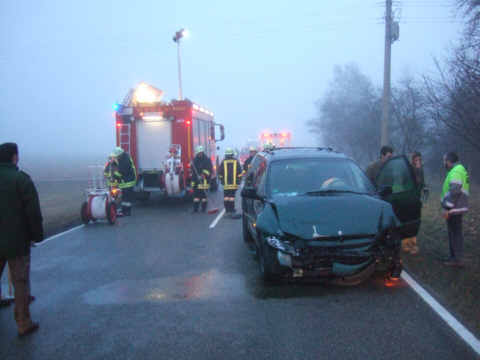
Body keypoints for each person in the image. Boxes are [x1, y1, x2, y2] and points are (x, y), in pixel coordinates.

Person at [0, 142, 44, 336]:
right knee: (20, 281)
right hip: (16, 241)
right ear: (14, 157)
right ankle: (23, 322)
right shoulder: (21, 179)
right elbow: (32, 211)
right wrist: (37, 235)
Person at [441, 152, 469, 268]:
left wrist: (447, 208)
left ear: (449, 161)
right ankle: (454, 258)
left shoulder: (455, 171)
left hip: (454, 209)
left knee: (455, 234)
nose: (444, 163)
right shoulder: (460, 169)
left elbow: (455, 192)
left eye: (444, 161)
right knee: (454, 234)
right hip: (458, 207)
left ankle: (456, 260)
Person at [402, 151, 427, 254]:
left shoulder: (420, 170)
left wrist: (424, 186)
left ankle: (413, 242)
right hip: (408, 199)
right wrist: (416, 170)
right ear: (411, 160)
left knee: (416, 220)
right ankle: (406, 244)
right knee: (409, 221)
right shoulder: (407, 169)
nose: (418, 162)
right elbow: (409, 181)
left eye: (419, 160)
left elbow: (420, 181)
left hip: (417, 198)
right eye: (415, 160)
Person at [113, 147, 137, 216]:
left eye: (117, 156)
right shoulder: (122, 158)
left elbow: (121, 171)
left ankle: (128, 211)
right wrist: (113, 163)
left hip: (129, 181)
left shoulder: (125, 160)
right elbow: (118, 163)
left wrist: (114, 177)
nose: (117, 157)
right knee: (124, 196)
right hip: (125, 181)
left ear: (120, 154)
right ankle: (123, 210)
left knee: (127, 197)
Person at [219, 147, 243, 213]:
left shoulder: (223, 161)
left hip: (226, 183)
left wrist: (221, 179)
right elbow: (239, 171)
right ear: (232, 154)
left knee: (226, 197)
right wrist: (239, 179)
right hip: (234, 183)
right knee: (232, 197)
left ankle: (227, 209)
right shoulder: (236, 161)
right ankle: (232, 209)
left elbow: (220, 172)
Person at [190, 146, 213, 213]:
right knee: (196, 197)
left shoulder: (207, 160)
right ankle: (195, 209)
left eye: (201, 153)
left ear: (203, 152)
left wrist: (202, 175)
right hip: (196, 182)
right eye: (199, 153)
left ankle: (203, 208)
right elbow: (193, 170)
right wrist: (191, 164)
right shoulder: (195, 159)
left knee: (204, 197)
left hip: (204, 182)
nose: (200, 154)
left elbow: (209, 170)